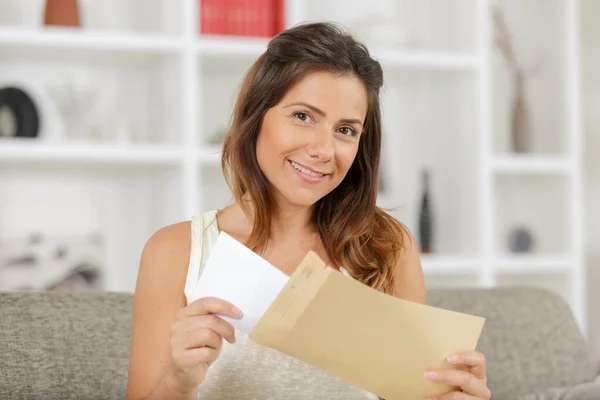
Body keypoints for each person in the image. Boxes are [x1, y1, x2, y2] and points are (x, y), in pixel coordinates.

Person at [125, 22, 491, 400]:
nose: (324, 149)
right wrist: (177, 382)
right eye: (303, 116)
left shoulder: (386, 246)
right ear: (256, 116)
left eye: (346, 130)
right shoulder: (175, 250)